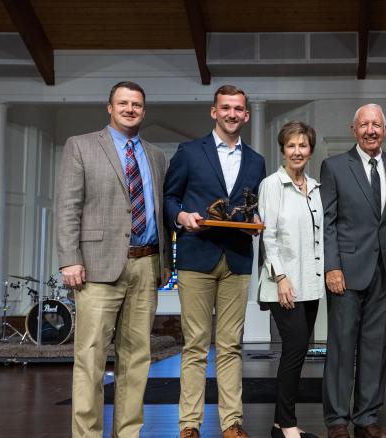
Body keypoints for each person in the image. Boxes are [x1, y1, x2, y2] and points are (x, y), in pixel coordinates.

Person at [56, 81, 172, 438]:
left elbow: (159, 212)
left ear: (144, 110)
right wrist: (69, 259)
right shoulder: (81, 145)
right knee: (90, 359)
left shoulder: (155, 155)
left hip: (146, 264)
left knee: (137, 360)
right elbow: (68, 206)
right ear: (109, 107)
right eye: (123, 103)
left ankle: (128, 433)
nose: (130, 109)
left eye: (136, 104)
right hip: (95, 267)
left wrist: (165, 261)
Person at [163, 85, 266, 438]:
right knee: (194, 344)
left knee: (231, 345)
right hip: (196, 257)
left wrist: (254, 223)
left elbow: (252, 208)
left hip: (237, 259)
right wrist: (182, 217)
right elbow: (170, 198)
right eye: (226, 108)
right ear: (214, 112)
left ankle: (231, 423)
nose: (232, 114)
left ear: (246, 115)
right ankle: (189, 424)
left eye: (238, 109)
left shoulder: (256, 161)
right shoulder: (190, 152)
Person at [320, 104, 386, 438]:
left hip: (385, 270)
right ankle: (337, 420)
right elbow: (327, 222)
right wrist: (332, 266)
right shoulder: (335, 166)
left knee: (376, 347)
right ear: (352, 129)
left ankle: (367, 416)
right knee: (341, 347)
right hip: (346, 271)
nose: (371, 130)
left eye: (377, 124)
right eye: (364, 124)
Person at [258, 121, 324, 438]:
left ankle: (277, 424)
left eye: (303, 145)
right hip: (283, 284)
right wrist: (281, 276)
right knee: (295, 348)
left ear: (310, 150)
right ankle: (287, 424)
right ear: (283, 150)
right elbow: (267, 235)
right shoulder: (272, 185)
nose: (297, 151)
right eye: (291, 145)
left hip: (310, 285)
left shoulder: (315, 188)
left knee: (298, 351)